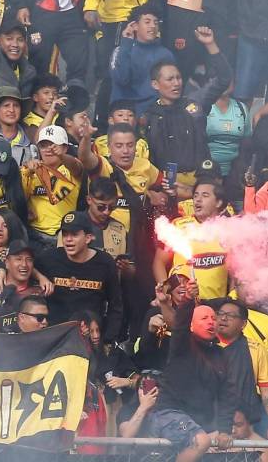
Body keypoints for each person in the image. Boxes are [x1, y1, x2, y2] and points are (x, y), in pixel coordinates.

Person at [148, 287, 236, 462]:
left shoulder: (221, 354)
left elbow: (227, 394)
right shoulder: (183, 344)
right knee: (201, 441)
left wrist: (225, 430)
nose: (211, 321)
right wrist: (188, 299)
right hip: (169, 413)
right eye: (204, 318)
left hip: (199, 421)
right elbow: (179, 324)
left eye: (213, 318)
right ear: (191, 324)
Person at [141, 28, 232, 180]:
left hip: (200, 180)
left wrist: (210, 44)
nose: (176, 83)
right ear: (155, 84)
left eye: (178, 78)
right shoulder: (149, 115)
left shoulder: (195, 102)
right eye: (170, 79)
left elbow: (224, 77)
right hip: (165, 183)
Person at [36, 211, 123, 342]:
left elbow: (115, 306)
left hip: (90, 338)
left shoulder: (105, 262)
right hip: (55, 336)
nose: (68, 239)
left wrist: (108, 340)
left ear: (88, 238)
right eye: (65, 234)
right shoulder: (50, 257)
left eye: (74, 234)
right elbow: (25, 265)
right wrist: (39, 276)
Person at [21, 125, 84, 246]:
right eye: (43, 146)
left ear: (65, 148)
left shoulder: (71, 169)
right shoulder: (31, 171)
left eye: (54, 145)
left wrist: (62, 156)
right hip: (34, 235)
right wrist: (27, 172)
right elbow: (18, 199)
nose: (48, 149)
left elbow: (77, 167)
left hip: (64, 235)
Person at [110, 3, 174, 116]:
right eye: (147, 22)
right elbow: (122, 79)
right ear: (134, 26)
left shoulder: (166, 54)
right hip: (126, 114)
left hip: (155, 113)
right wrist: (126, 44)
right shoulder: (121, 50)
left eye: (156, 22)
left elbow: (170, 88)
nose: (153, 26)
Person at [215, 299, 268, 432]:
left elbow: (265, 393)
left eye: (231, 316)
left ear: (243, 324)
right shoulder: (206, 345)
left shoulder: (256, 349)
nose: (223, 318)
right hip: (210, 414)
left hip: (248, 418)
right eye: (220, 313)